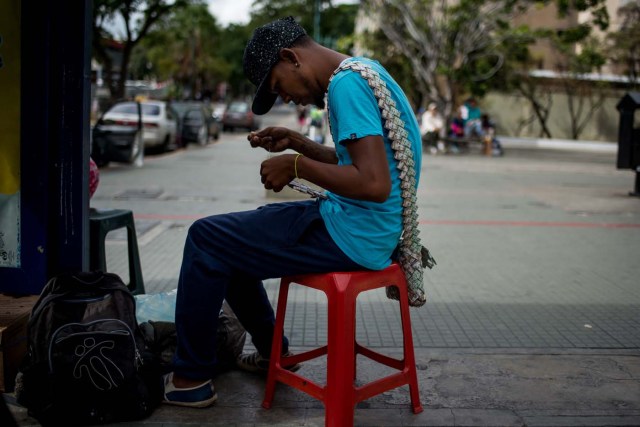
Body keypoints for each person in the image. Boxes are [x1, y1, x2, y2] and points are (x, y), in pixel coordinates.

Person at [161, 16, 423, 408]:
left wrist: (295, 166)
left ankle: (190, 379)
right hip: (368, 229)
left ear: (290, 57)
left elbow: (372, 183)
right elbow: (356, 160)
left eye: (278, 86)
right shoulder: (365, 70)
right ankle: (274, 354)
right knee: (232, 241)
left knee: (206, 238)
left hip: (352, 233)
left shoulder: (346, 87)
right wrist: (300, 144)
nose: (286, 99)